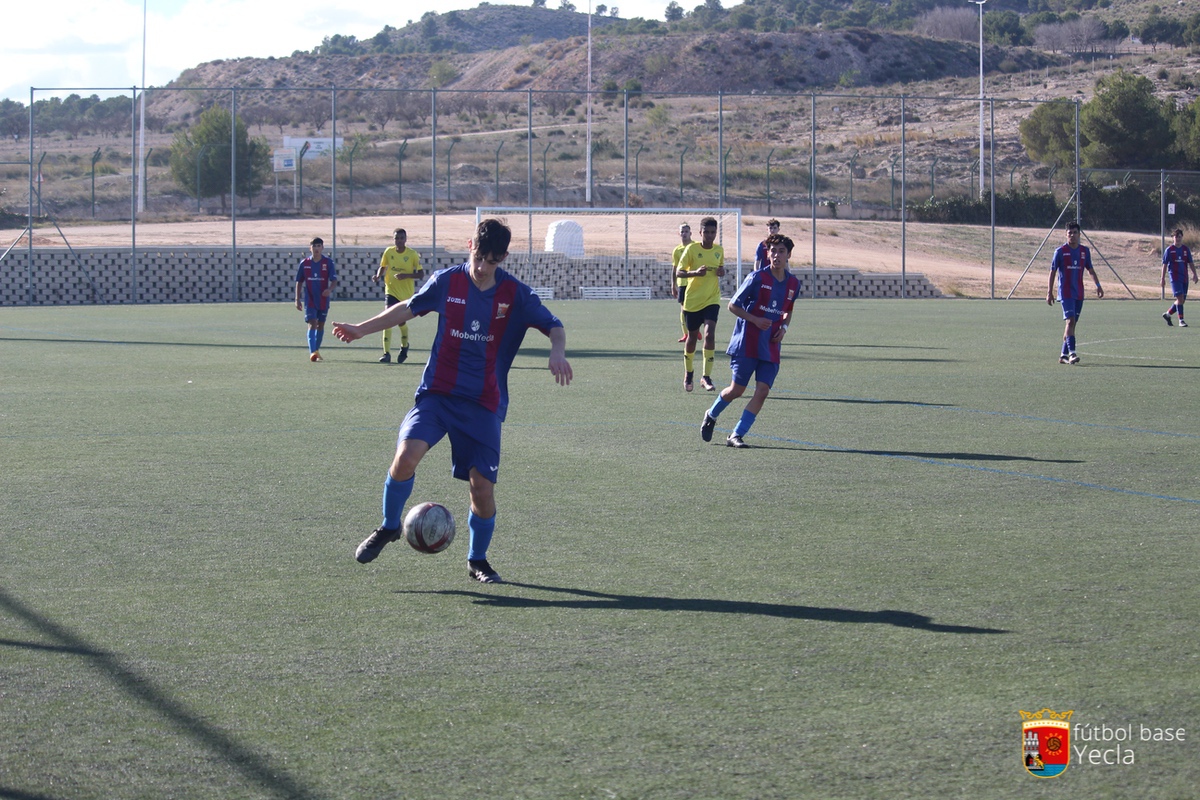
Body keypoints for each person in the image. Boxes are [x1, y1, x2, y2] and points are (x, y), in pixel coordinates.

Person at [332, 219, 573, 584]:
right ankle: (389, 526)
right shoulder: (447, 281)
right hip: (438, 395)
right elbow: (406, 308)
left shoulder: (515, 294)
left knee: (482, 488)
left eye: (491, 262)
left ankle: (477, 560)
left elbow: (554, 324)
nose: (481, 268)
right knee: (405, 456)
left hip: (482, 404)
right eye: (477, 257)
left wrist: (557, 352)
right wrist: (361, 329)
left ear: (503, 258)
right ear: (469, 246)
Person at [701, 233, 800, 448]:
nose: (776, 255)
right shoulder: (757, 278)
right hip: (747, 341)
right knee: (737, 390)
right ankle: (711, 414)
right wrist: (755, 319)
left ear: (788, 255)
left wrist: (783, 327)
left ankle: (736, 434)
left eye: (781, 251)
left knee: (762, 391)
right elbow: (733, 305)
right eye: (772, 251)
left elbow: (788, 310)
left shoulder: (793, 283)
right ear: (768, 253)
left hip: (771, 344)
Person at [676, 216, 725, 392]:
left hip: (712, 299)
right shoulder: (691, 249)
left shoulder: (719, 250)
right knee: (691, 338)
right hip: (693, 301)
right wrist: (695, 273)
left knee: (710, 334)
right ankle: (688, 372)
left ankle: (706, 377)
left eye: (713, 232)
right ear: (700, 232)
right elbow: (679, 272)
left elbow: (720, 268)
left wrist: (721, 272)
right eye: (706, 232)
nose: (710, 236)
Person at [1047, 221, 1104, 365]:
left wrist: (1098, 285)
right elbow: (1052, 272)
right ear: (1066, 235)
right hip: (1065, 293)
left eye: (1075, 232)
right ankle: (1072, 353)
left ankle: (1063, 355)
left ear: (1079, 234)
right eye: (1069, 233)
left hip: (1079, 293)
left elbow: (1090, 269)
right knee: (1070, 321)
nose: (1072, 235)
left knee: (1071, 325)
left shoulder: (1085, 251)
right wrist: (1049, 292)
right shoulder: (1060, 251)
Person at [373, 227, 425, 362]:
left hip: (406, 294)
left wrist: (406, 275)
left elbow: (421, 274)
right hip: (391, 291)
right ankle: (386, 353)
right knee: (387, 320)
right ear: (393, 239)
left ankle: (404, 346)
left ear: (405, 239)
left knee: (401, 322)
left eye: (401, 238)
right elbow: (383, 266)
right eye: (396, 238)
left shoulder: (412, 254)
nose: (399, 241)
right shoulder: (388, 252)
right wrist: (378, 276)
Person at [295, 237, 337, 362]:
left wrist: (329, 290)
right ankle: (312, 352)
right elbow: (299, 281)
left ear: (322, 248)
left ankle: (316, 350)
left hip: (323, 299)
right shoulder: (305, 263)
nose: (316, 249)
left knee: (321, 324)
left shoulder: (328, 263)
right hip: (310, 300)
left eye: (319, 246)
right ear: (310, 248)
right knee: (312, 323)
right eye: (314, 246)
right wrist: (297, 299)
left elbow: (334, 280)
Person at [1160, 228, 1197, 328]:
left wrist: (1195, 274)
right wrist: (1162, 278)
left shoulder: (1185, 249)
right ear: (1173, 238)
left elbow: (1190, 263)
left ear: (1182, 237)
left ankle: (1168, 314)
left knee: (1181, 300)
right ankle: (1181, 320)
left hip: (1184, 278)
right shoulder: (1169, 250)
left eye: (1180, 237)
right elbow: (1164, 264)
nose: (1178, 239)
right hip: (1174, 278)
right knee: (1180, 299)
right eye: (1176, 237)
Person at [671, 222, 692, 343]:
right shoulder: (677, 250)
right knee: (683, 309)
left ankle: (694, 329)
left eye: (686, 231)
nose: (684, 234)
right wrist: (672, 285)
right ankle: (686, 333)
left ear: (691, 233)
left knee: (696, 307)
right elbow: (675, 269)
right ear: (679, 233)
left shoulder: (695, 247)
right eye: (682, 231)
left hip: (694, 282)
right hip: (682, 283)